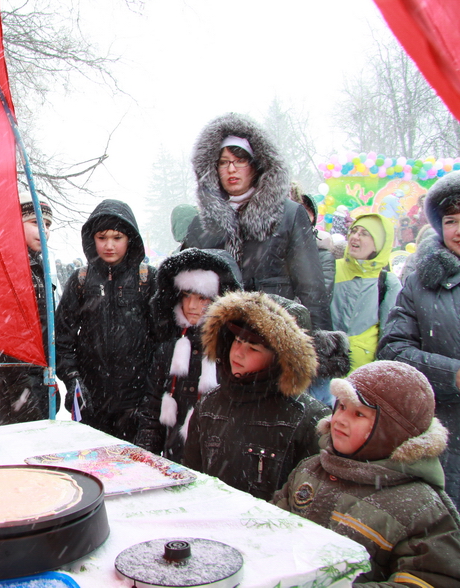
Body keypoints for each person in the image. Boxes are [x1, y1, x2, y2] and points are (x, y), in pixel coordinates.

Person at [273, 362, 460, 585]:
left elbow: (430, 579)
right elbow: (272, 527)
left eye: (359, 414)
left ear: (392, 431)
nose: (340, 419)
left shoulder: (420, 508)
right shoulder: (310, 470)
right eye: (341, 407)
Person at [181, 113, 331, 331]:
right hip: (217, 344)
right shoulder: (201, 223)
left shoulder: (289, 215)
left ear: (256, 164)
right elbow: (183, 287)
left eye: (240, 160)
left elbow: (312, 290)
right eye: (223, 162)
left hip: (273, 339)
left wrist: (321, 347)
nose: (231, 169)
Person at [182, 291, 329, 500]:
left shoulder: (308, 418)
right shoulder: (210, 404)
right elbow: (193, 474)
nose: (238, 353)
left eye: (253, 348)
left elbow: (309, 501)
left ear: (280, 359)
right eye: (237, 341)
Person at [378, 171, 460, 509]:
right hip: (445, 438)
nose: (459, 230)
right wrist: (451, 374)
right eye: (452, 220)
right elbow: (394, 351)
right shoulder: (421, 285)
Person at [55, 199, 159, 442]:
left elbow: (161, 339)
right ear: (93, 239)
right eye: (102, 237)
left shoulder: (148, 279)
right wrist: (73, 380)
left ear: (130, 238)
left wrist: (151, 392)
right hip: (91, 399)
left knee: (136, 469)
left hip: (136, 400)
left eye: (117, 237)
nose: (109, 245)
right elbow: (62, 338)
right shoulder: (80, 280)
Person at [135, 248, 241, 461]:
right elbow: (152, 409)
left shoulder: (232, 351)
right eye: (186, 295)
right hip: (174, 458)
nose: (192, 306)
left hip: (219, 464)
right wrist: (146, 456)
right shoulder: (168, 348)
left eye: (202, 298)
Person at [0, 192, 59, 424]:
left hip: (38, 377)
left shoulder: (37, 266)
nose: (43, 230)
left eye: (47, 224)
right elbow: (0, 336)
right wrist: (22, 390)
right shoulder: (1, 266)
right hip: (14, 381)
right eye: (35, 222)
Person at [331, 214, 401, 372]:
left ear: (378, 244)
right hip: (325, 364)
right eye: (354, 231)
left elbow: (389, 333)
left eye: (364, 234)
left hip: (363, 370)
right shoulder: (331, 268)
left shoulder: (387, 282)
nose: (355, 237)